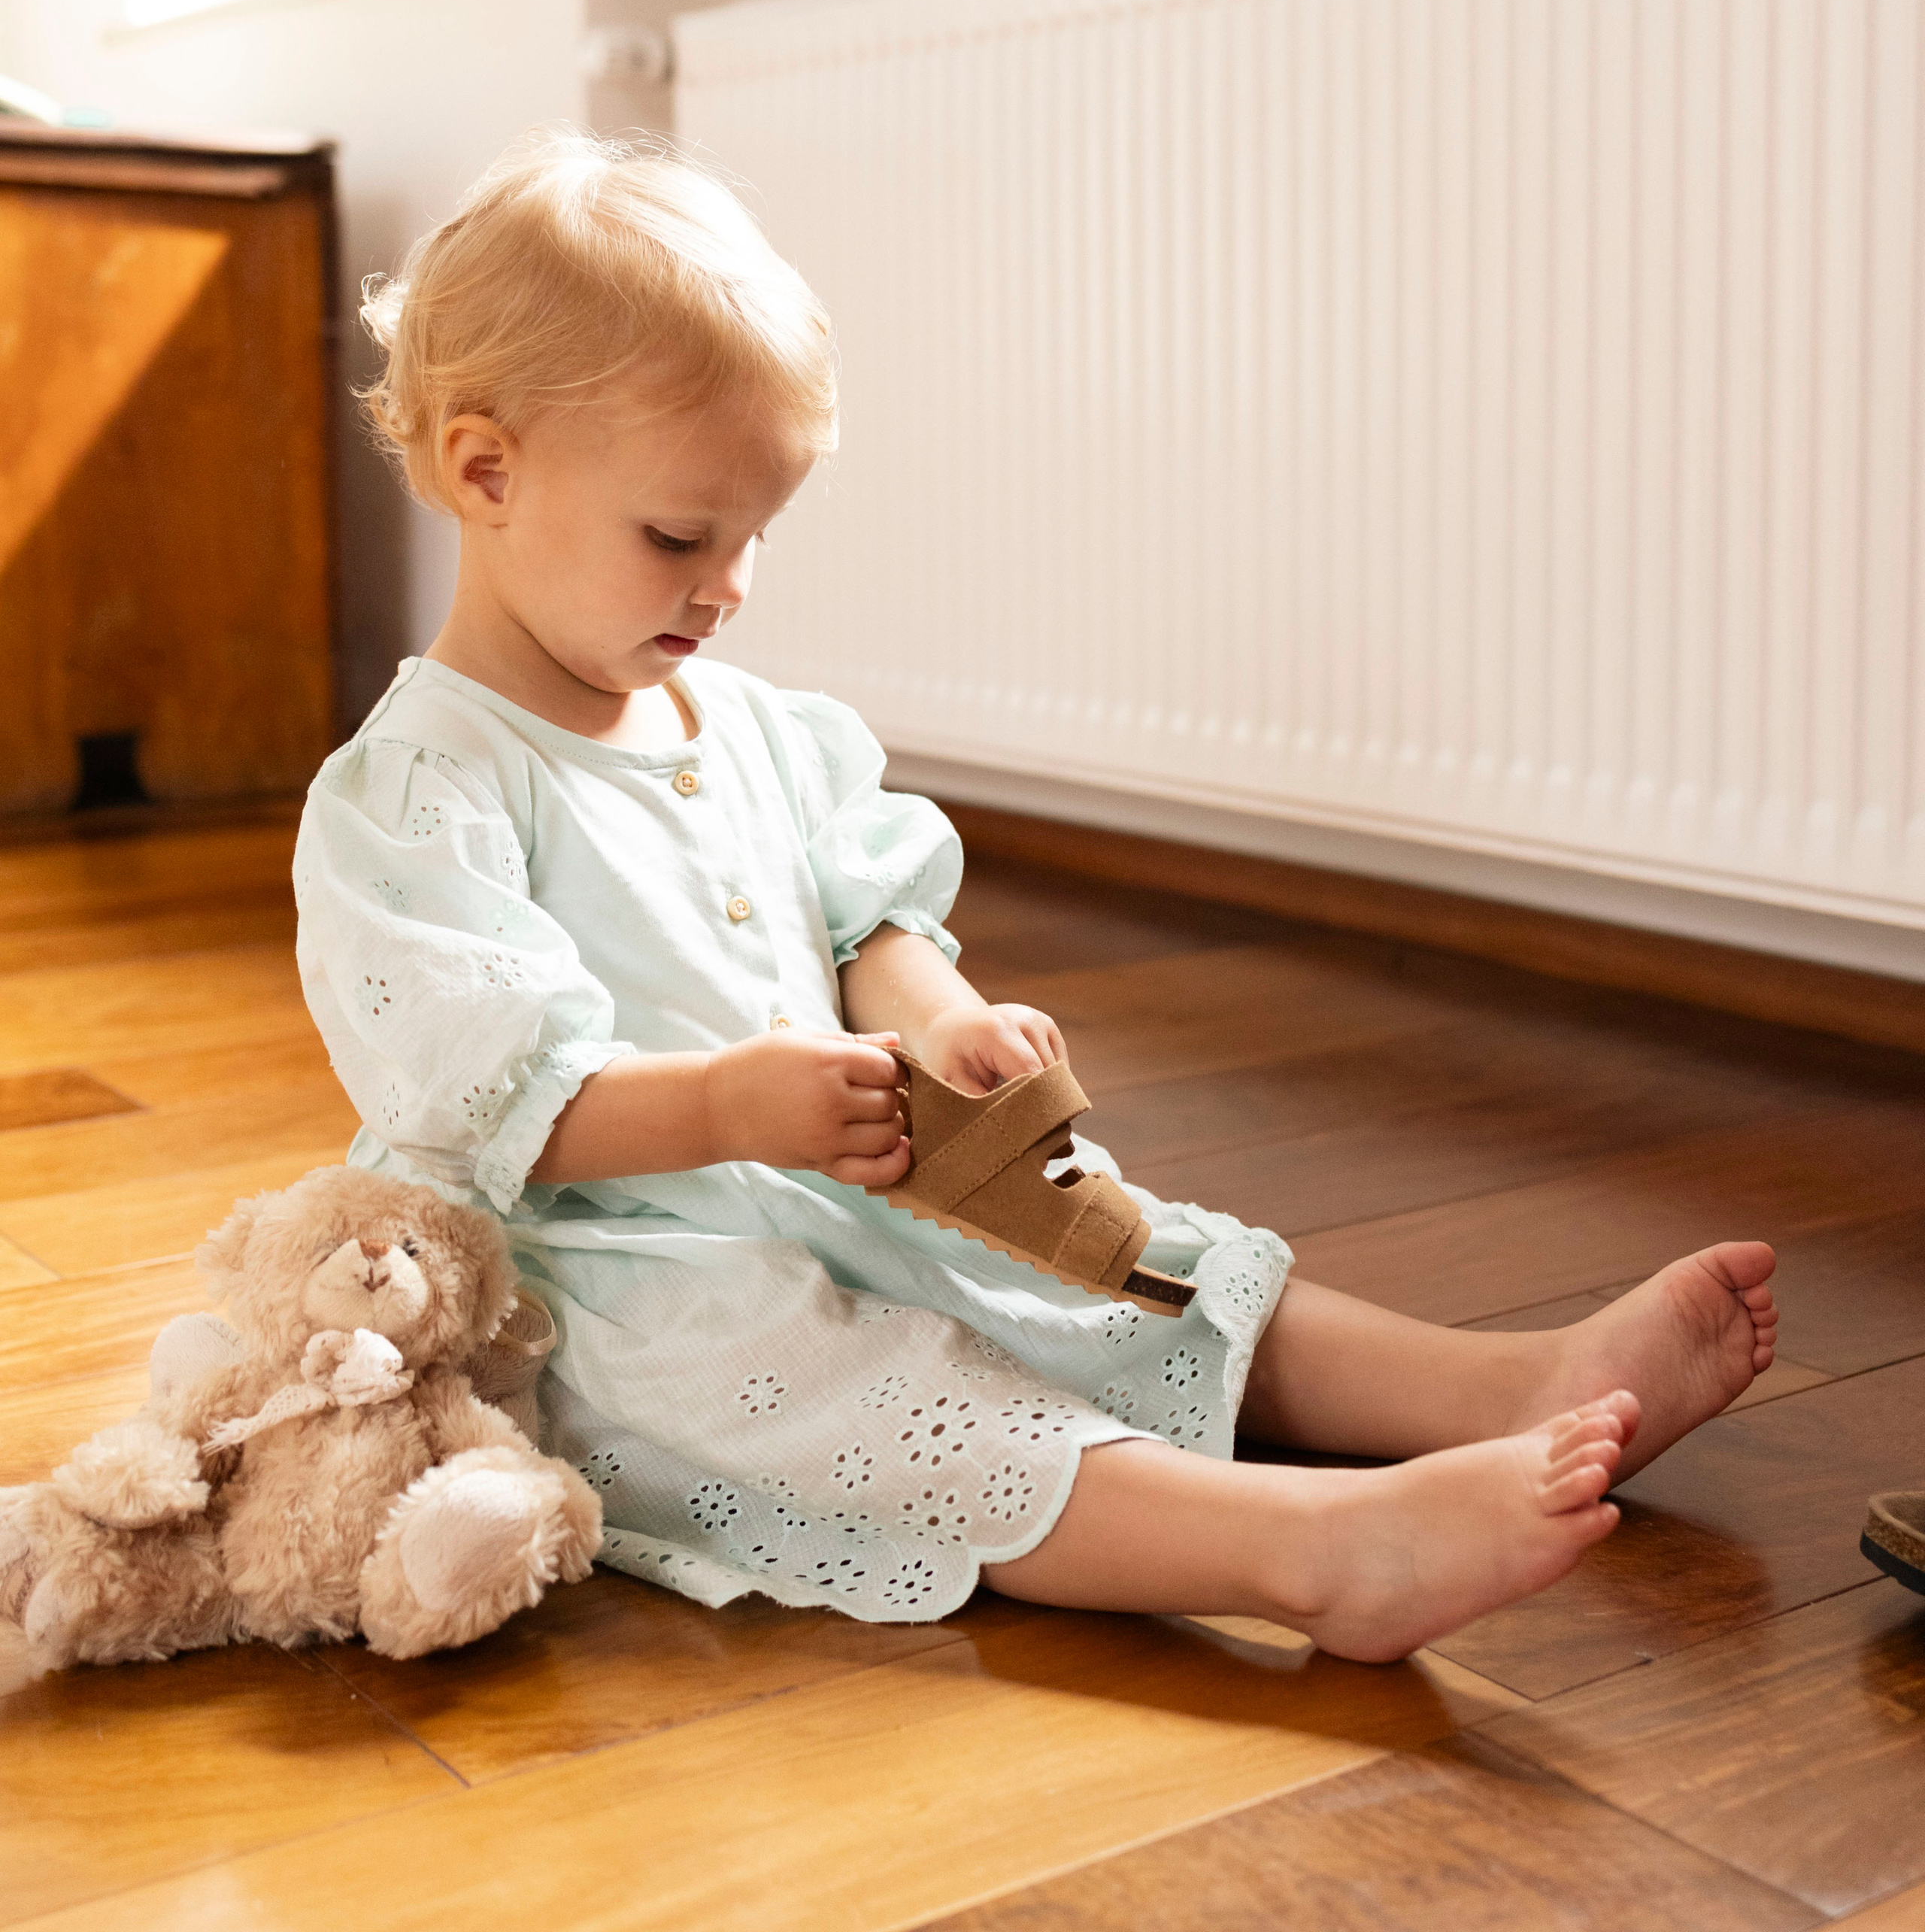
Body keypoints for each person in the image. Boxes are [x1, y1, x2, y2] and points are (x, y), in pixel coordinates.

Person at [293, 132, 1779, 1664]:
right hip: (621, 1272)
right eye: (680, 536)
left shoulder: (755, 730)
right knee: (868, 1398)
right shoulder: (423, 785)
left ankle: (1502, 1388)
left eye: (753, 537)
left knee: (1127, 1269)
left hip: (847, 1179)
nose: (729, 585)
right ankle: (1312, 1554)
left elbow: (862, 927)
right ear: (485, 471)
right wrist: (731, 1106)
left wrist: (942, 1022)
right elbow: (491, 1100)